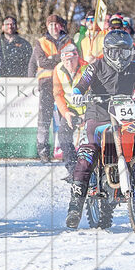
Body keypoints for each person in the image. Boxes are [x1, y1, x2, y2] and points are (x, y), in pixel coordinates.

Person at [66, 30, 135, 229]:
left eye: (124, 52)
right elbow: (82, 83)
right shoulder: (96, 66)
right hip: (98, 114)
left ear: (131, 51)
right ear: (107, 51)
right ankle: (75, 206)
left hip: (125, 116)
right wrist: (77, 93)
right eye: (115, 52)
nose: (120, 57)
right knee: (88, 152)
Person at [29, 15, 69, 161]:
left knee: (65, 116)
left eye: (56, 24)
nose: (53, 27)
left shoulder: (68, 41)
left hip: (64, 83)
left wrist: (52, 58)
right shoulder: (41, 42)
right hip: (46, 83)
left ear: (61, 26)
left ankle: (65, 148)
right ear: (47, 27)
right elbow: (41, 62)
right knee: (44, 119)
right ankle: (43, 150)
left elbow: (71, 58)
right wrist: (59, 58)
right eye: (50, 24)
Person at [52, 43, 86, 175]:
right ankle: (73, 171)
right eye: (65, 61)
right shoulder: (58, 69)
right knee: (64, 136)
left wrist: (87, 114)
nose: (69, 64)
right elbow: (58, 94)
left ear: (77, 58)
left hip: (89, 110)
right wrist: (66, 113)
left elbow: (95, 92)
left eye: (71, 60)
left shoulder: (87, 67)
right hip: (70, 110)